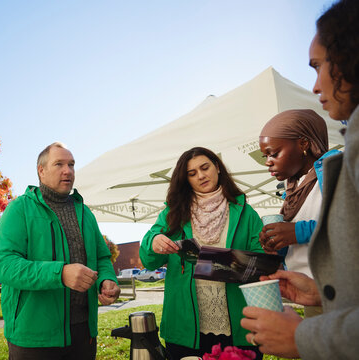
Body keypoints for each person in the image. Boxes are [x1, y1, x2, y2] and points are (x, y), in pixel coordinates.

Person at [241, 0, 359, 358]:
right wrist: (318, 291)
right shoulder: (292, 190)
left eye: (318, 66)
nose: (315, 86)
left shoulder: (333, 168)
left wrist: (306, 338)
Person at [0, 142, 120, 360]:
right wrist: (60, 274)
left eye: (71, 164)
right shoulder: (19, 209)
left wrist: (106, 281)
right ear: (41, 171)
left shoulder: (85, 213)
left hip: (83, 333)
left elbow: (102, 257)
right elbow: (5, 267)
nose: (68, 171)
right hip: (34, 336)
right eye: (59, 164)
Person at [139, 147, 264, 359]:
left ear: (217, 167)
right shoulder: (172, 213)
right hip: (184, 327)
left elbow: (260, 265)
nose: (201, 175)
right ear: (186, 179)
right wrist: (153, 242)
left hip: (239, 325)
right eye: (192, 173)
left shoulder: (246, 213)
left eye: (205, 168)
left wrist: (207, 264)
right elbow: (148, 261)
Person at [258, 109, 338, 279]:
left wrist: (298, 231)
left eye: (273, 153)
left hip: (344, 290)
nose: (267, 162)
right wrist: (276, 243)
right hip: (310, 291)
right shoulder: (293, 190)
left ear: (303, 144)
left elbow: (351, 224)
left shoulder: (336, 168)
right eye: (265, 156)